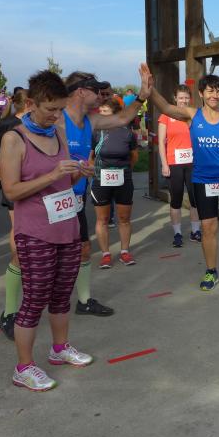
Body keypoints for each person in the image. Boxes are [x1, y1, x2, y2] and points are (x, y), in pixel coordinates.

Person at [0, 70, 96, 391]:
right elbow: (11, 190)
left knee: (61, 294)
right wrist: (53, 173)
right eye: (51, 109)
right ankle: (24, 367)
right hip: (35, 231)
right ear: (30, 103)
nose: (57, 116)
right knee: (35, 299)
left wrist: (80, 172)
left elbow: (64, 181)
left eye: (60, 109)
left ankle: (60, 348)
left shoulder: (59, 133)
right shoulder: (14, 139)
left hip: (67, 226)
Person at [144, 69, 219, 290]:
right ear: (201, 93)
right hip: (203, 180)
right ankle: (211, 271)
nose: (215, 95)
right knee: (208, 227)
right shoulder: (192, 115)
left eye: (218, 91)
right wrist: (150, 88)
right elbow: (166, 108)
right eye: (210, 91)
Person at [60, 70, 148, 316]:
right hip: (50, 199)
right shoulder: (56, 120)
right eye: (95, 90)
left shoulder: (90, 120)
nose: (101, 95)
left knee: (83, 250)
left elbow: (123, 119)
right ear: (80, 92)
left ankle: (84, 301)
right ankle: (13, 311)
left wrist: (142, 95)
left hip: (75, 197)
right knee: (42, 258)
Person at [0, 88, 30, 339]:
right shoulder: (8, 124)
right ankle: (10, 311)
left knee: (25, 235)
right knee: (18, 235)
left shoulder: (37, 125)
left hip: (33, 185)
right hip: (14, 185)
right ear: (28, 104)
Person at [90, 97, 139, 268]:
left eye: (105, 111)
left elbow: (134, 156)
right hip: (100, 179)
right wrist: (96, 172)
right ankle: (105, 254)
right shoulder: (96, 131)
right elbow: (91, 157)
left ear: (115, 113)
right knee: (102, 219)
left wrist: (124, 170)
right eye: (100, 111)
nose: (101, 114)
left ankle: (125, 252)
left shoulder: (127, 132)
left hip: (123, 178)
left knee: (124, 218)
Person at [158, 84, 201, 247]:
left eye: (186, 98)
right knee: (176, 199)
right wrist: (164, 164)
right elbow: (161, 142)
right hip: (174, 163)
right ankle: (177, 234)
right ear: (175, 98)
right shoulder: (166, 116)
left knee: (195, 199)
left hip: (193, 163)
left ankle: (195, 231)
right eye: (181, 98)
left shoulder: (194, 115)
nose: (183, 101)